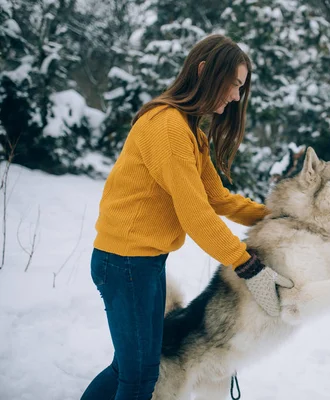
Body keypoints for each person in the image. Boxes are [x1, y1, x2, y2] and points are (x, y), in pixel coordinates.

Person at [82, 34, 293, 400]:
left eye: (242, 88)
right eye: (235, 84)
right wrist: (247, 265)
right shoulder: (166, 127)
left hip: (142, 264)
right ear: (204, 71)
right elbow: (195, 213)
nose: (236, 97)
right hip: (124, 264)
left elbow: (218, 199)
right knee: (140, 377)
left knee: (131, 368)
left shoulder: (193, 134)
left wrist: (279, 216)